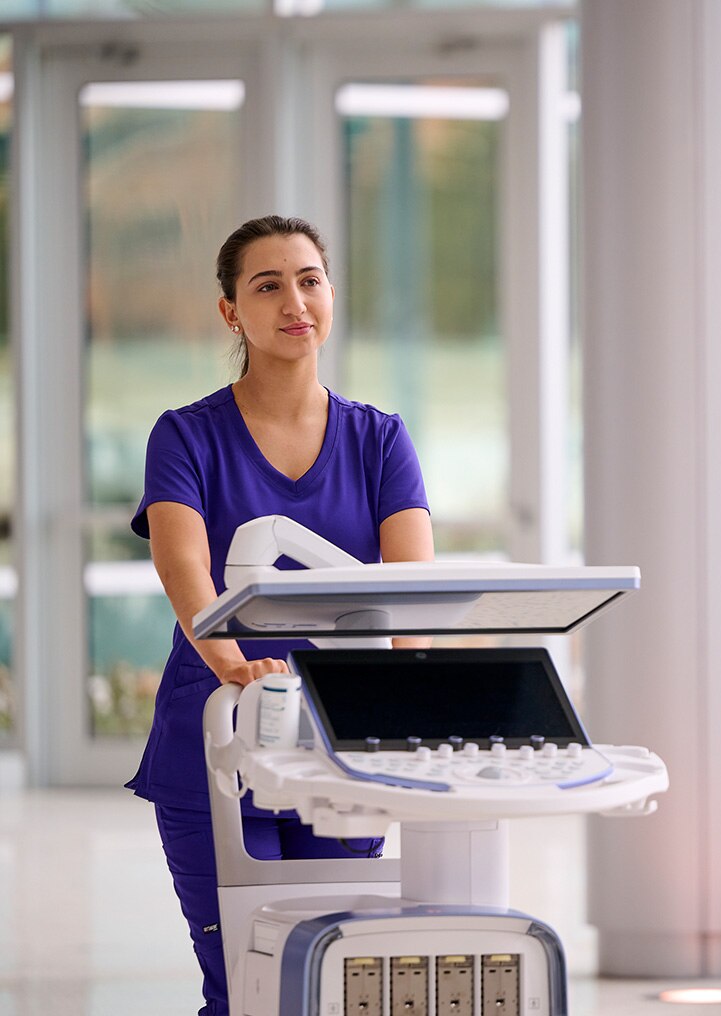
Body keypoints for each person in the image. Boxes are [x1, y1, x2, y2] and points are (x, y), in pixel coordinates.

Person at [127, 214, 433, 1016]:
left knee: (331, 978)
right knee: (243, 981)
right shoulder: (186, 436)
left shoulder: (380, 440)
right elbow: (183, 565)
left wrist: (411, 708)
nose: (295, 302)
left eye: (309, 280)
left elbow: (413, 590)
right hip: (218, 733)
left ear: (331, 295)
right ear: (231, 311)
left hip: (343, 741)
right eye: (268, 286)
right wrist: (235, 666)